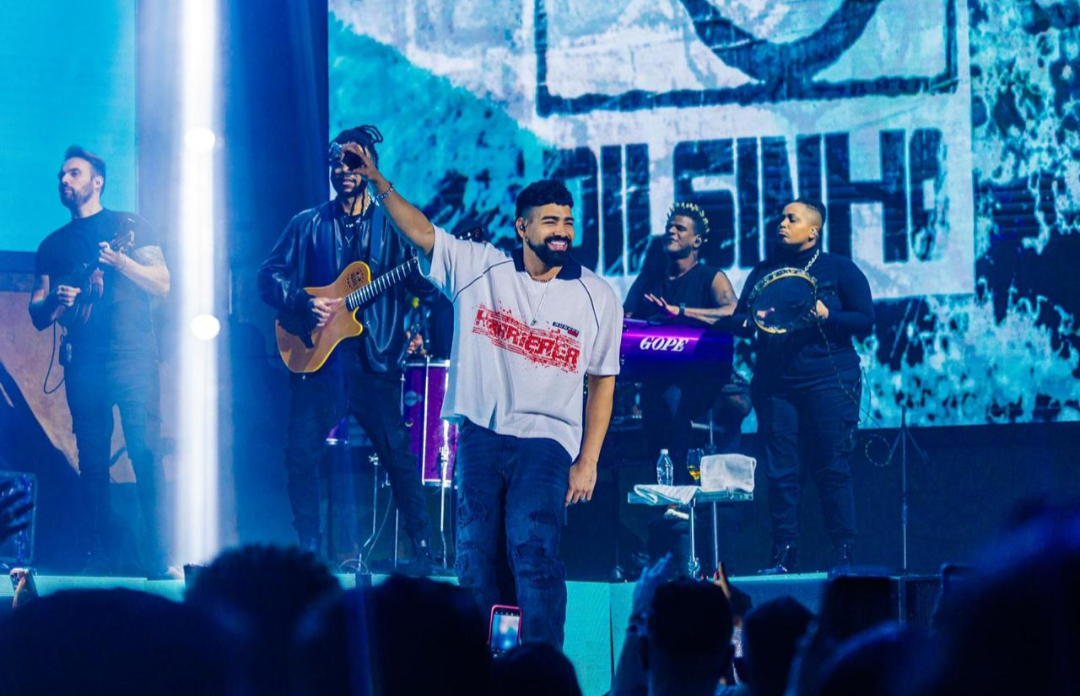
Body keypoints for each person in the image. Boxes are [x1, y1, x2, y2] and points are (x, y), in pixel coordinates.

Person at [346, 143, 622, 646]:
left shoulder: (598, 294)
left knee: (531, 550)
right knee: (475, 559)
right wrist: (377, 183)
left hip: (547, 441)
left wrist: (589, 461)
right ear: (522, 228)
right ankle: (482, 663)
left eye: (568, 221)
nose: (562, 231)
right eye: (550, 221)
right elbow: (421, 231)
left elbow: (603, 379)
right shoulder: (479, 266)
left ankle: (538, 667)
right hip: (481, 436)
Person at [258, 125, 436, 564]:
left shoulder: (394, 225)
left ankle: (424, 549)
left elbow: (425, 288)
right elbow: (267, 276)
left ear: (370, 166)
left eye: (353, 162)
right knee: (300, 454)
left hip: (375, 361)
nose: (342, 170)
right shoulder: (306, 224)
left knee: (398, 457)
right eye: (336, 162)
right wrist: (301, 301)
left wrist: (424, 268)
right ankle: (309, 548)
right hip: (318, 360)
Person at [29, 145, 171, 577]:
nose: (64, 180)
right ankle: (97, 556)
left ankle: (158, 556)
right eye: (61, 175)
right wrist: (56, 299)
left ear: (97, 181)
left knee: (144, 451)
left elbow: (162, 283)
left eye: (73, 173)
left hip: (133, 358)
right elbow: (37, 312)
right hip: (84, 363)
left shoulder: (130, 226)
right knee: (91, 458)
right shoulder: (52, 245)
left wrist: (121, 262)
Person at [727, 198, 874, 574]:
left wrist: (829, 314)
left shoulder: (839, 268)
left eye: (792, 219)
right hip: (776, 386)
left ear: (813, 231)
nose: (782, 223)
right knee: (781, 473)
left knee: (832, 467)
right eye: (781, 218)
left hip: (828, 380)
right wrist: (749, 320)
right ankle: (783, 555)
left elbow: (865, 319)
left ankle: (843, 552)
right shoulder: (764, 271)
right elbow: (740, 320)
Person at [624, 202, 750, 469]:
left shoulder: (711, 277)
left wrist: (680, 312)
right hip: (656, 378)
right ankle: (661, 478)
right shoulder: (648, 280)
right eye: (669, 227)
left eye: (680, 228)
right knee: (654, 400)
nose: (671, 231)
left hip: (701, 379)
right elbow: (625, 321)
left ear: (697, 241)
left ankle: (679, 477)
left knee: (674, 396)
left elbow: (732, 311)